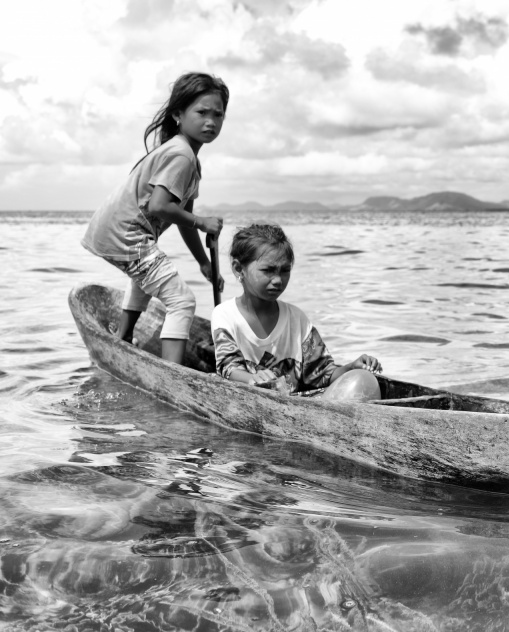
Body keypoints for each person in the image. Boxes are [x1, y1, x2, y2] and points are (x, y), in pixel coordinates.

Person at [82, 72, 228, 364]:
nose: (210, 121)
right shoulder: (182, 156)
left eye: (218, 114)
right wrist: (201, 222)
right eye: (201, 112)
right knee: (182, 301)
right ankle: (172, 373)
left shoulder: (187, 158)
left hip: (117, 233)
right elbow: (161, 206)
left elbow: (182, 216)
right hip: (127, 235)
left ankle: (122, 337)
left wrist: (203, 262)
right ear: (178, 114)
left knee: (146, 277)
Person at [211, 223, 382, 401]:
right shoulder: (225, 314)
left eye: (285, 271)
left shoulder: (296, 318)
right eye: (268, 270)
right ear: (239, 268)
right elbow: (229, 367)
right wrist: (251, 378)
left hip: (296, 404)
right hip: (249, 399)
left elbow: (321, 373)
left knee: (362, 380)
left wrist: (350, 368)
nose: (277, 280)